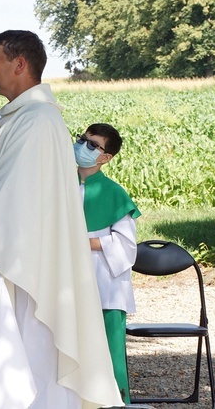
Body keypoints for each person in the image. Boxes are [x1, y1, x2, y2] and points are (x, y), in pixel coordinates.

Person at [0, 30, 123, 408]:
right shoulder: (23, 116)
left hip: (30, 270)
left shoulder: (37, 120)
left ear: (19, 64)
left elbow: (14, 202)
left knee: (32, 365)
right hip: (20, 259)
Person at [75, 123, 141, 404]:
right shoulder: (59, 184)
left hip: (105, 282)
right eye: (82, 140)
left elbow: (126, 246)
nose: (83, 147)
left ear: (105, 158)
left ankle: (114, 402)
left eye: (93, 145)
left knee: (108, 348)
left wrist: (81, 242)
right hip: (70, 278)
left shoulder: (113, 193)